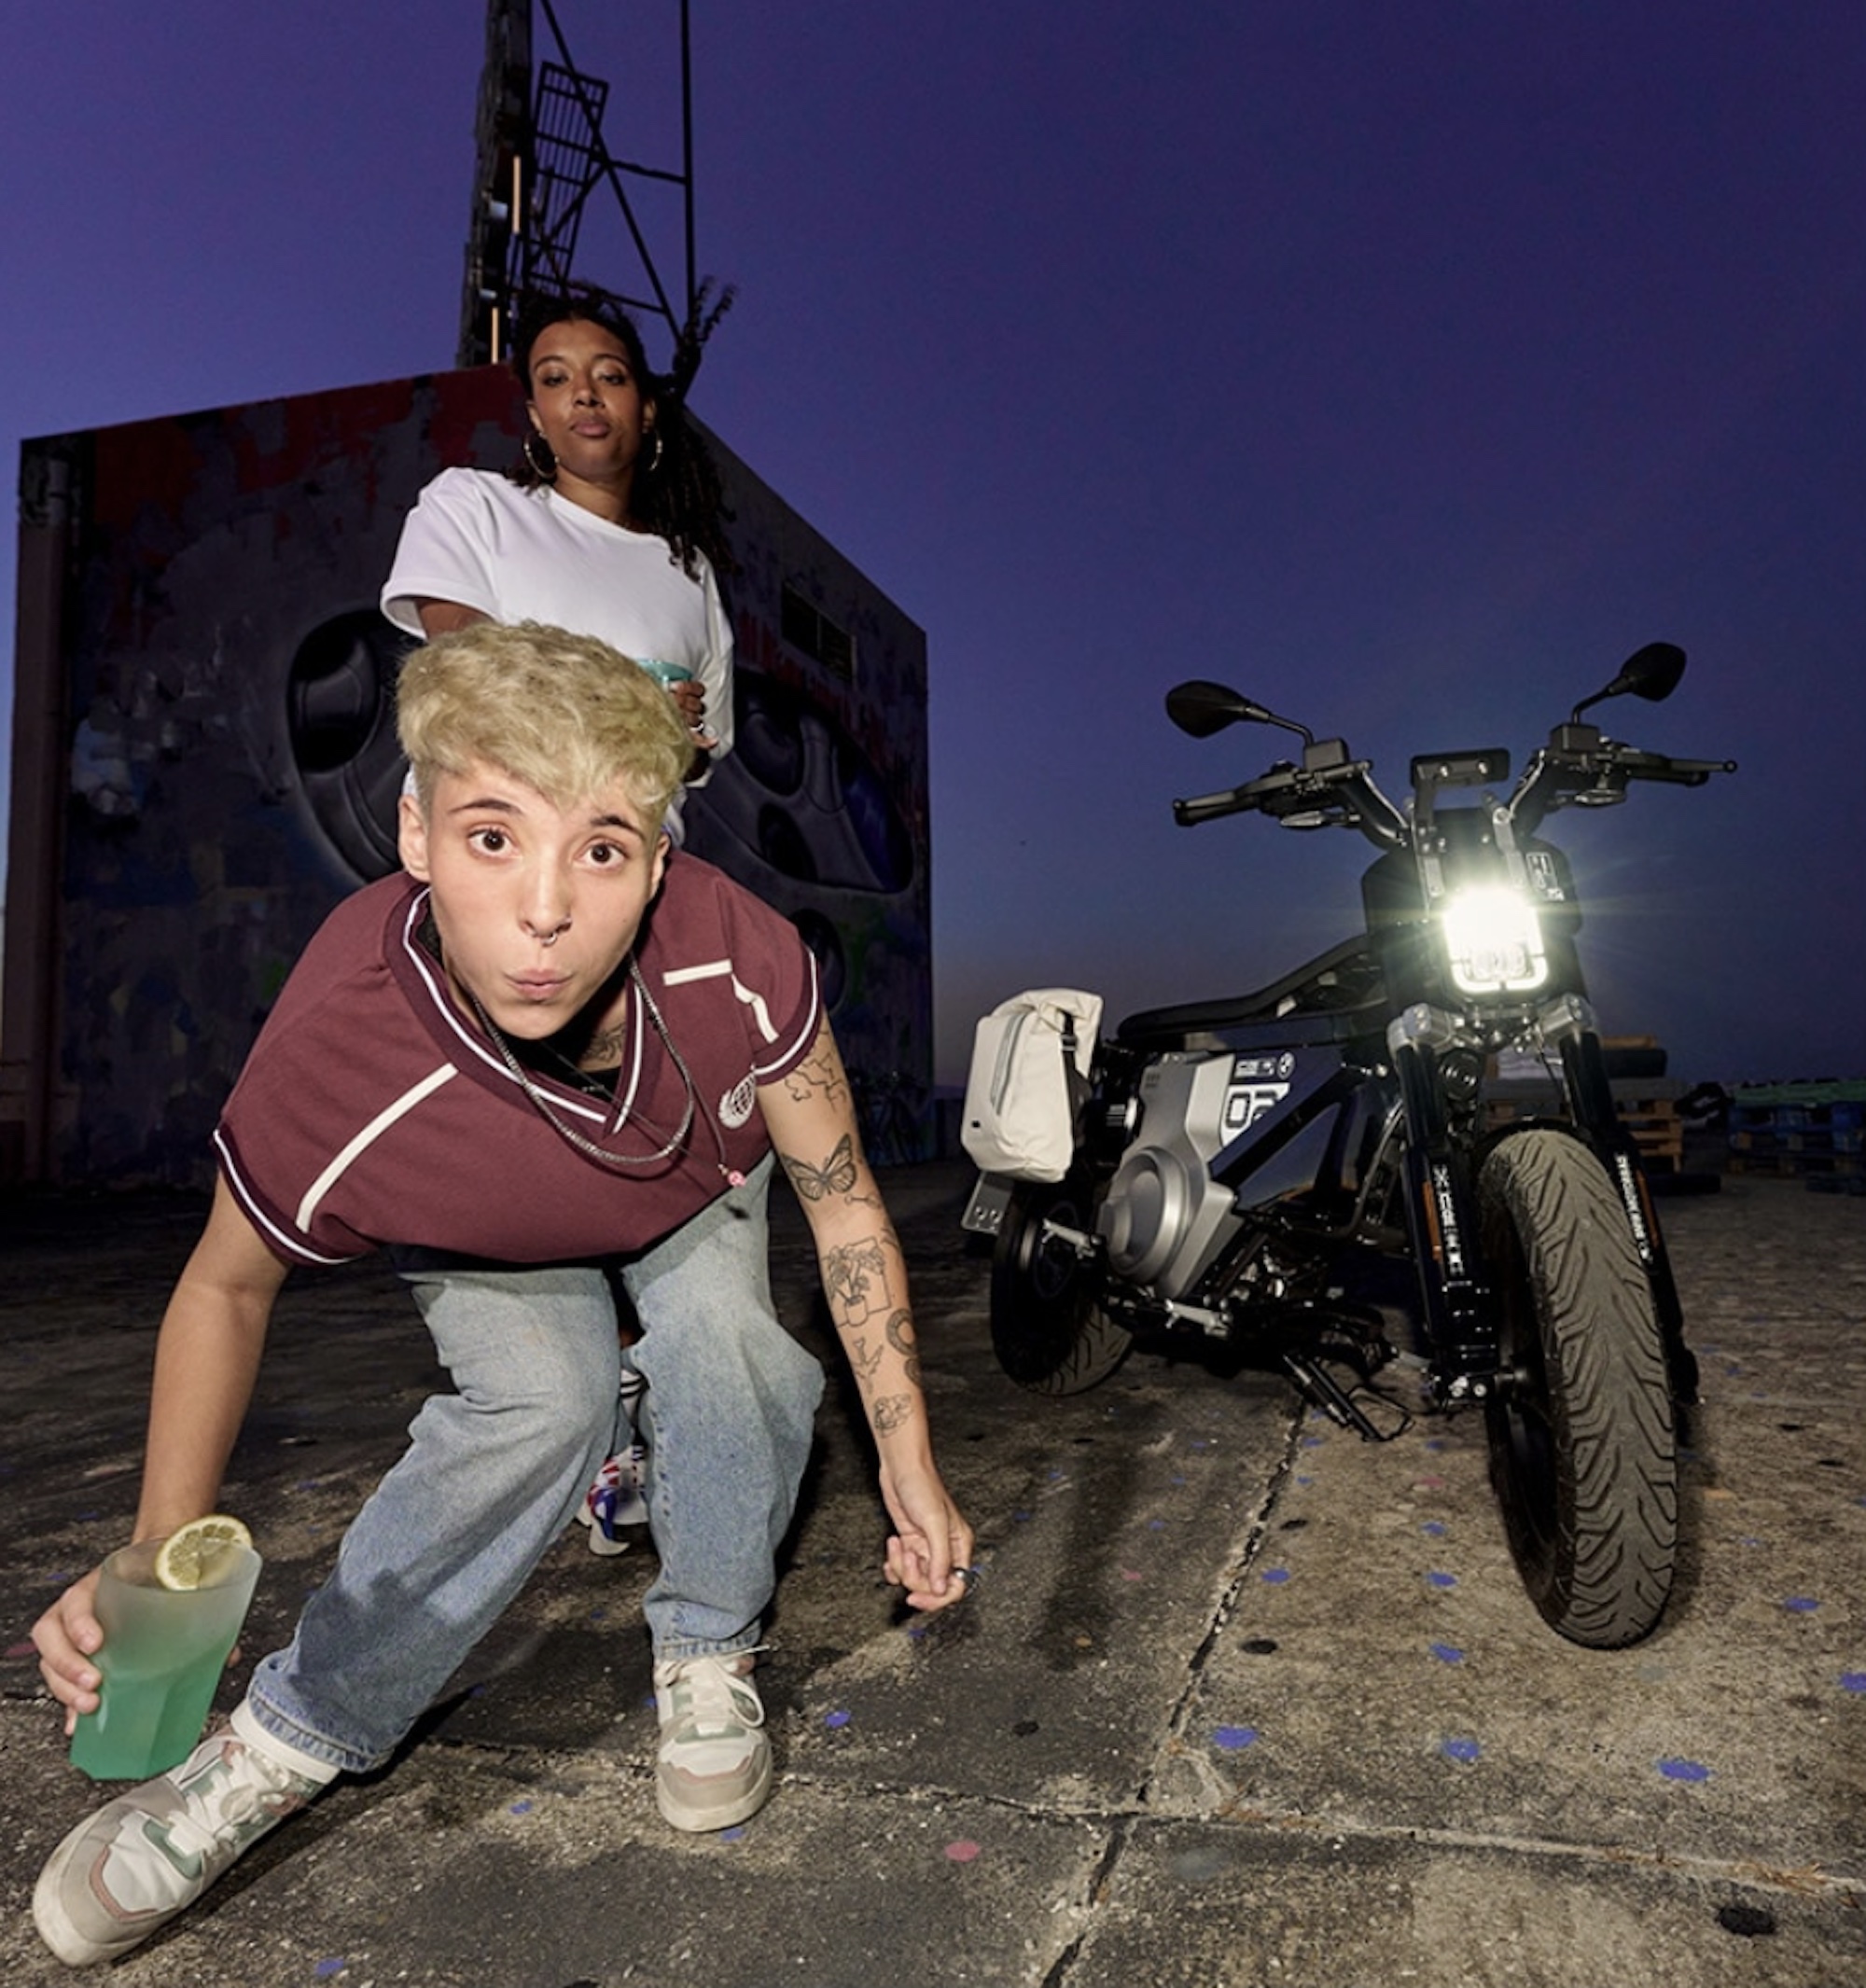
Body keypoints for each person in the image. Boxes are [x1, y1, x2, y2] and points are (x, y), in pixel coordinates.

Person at [30, 619, 976, 1970]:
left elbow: (844, 1206)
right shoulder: (346, 1052)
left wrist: (910, 1459)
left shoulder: (741, 956)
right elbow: (225, 1288)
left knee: (729, 1345)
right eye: (491, 836)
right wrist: (154, 1552)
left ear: (657, 859)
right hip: (487, 1230)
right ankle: (286, 1739)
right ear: (413, 832)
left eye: (599, 846)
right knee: (550, 1397)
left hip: (687, 1187)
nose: (545, 908)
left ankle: (707, 1643)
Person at [381, 288, 736, 835]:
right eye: (555, 379)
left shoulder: (691, 575)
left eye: (611, 377)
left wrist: (673, 737)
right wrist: (637, 708)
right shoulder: (471, 506)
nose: (585, 394)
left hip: (629, 877)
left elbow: (694, 761)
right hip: (488, 855)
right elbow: (469, 674)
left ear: (645, 411)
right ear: (537, 417)